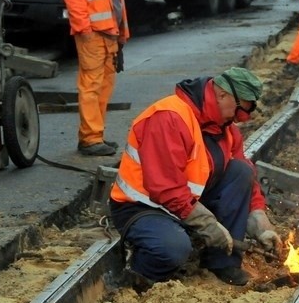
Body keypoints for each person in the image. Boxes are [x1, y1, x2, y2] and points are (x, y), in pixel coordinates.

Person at [108, 67, 283, 286]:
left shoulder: (224, 126)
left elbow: (245, 174)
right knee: (173, 249)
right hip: (144, 207)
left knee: (241, 171)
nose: (242, 119)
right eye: (240, 111)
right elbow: (166, 188)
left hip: (186, 201)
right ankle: (141, 276)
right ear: (222, 95)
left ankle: (222, 263)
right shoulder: (169, 118)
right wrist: (207, 224)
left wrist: (260, 223)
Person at [64, 0, 130, 156]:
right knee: (91, 87)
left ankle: (95, 135)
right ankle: (91, 139)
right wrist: (84, 30)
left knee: (103, 88)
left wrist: (122, 32)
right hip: (93, 34)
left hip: (109, 34)